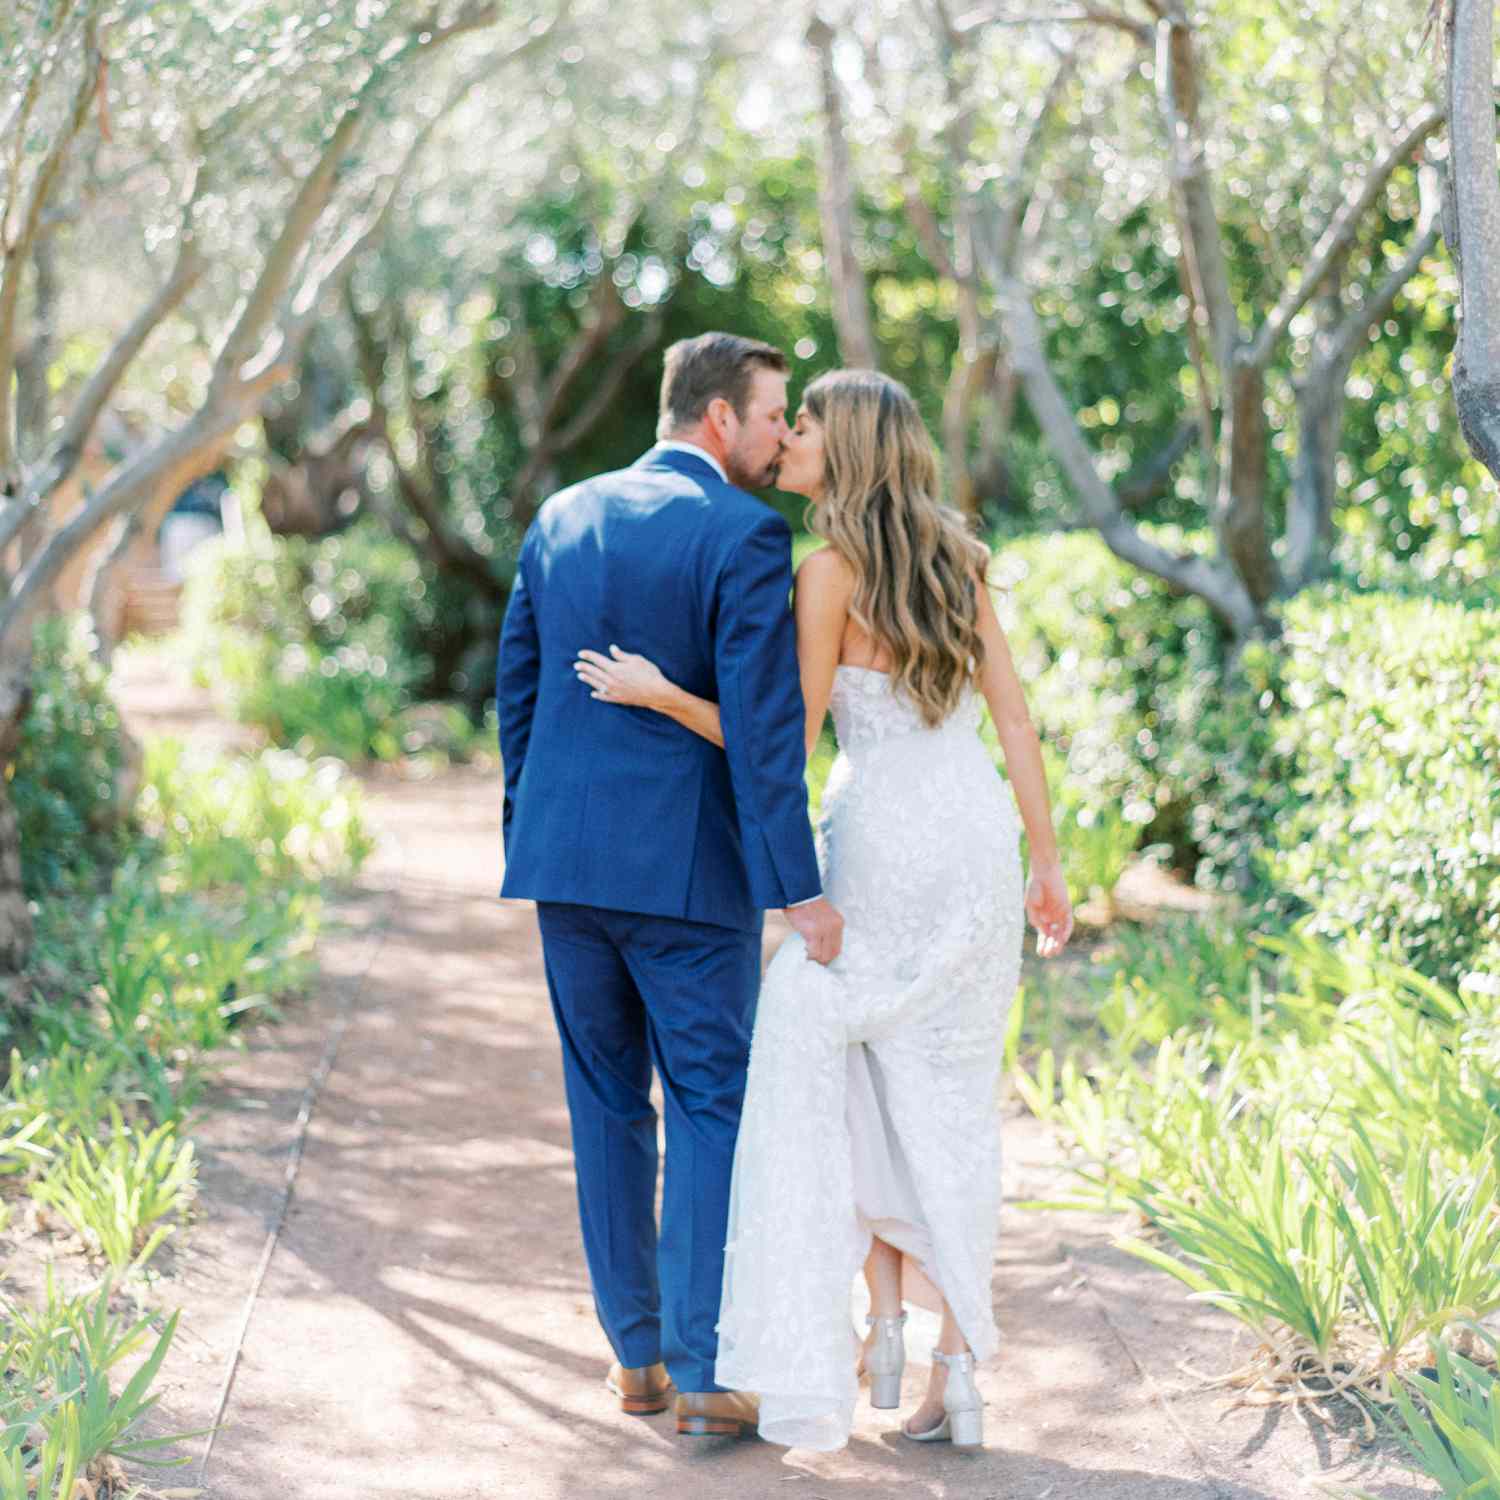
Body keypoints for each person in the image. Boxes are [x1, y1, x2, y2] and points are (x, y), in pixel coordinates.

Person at [573, 368, 1073, 1452]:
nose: (787, 435)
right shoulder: (962, 561)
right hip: (974, 839)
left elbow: (779, 747)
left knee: (855, 1083)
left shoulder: (828, 574)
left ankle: (881, 1327)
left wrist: (663, 696)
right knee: (948, 1105)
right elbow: (1018, 725)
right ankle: (951, 1365)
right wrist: (1047, 861)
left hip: (881, 845)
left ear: (843, 449)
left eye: (805, 426)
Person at [495, 332, 845, 1440]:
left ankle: (635, 1362)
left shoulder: (562, 516)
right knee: (707, 1105)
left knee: (604, 1106)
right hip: (689, 880)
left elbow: (518, 692)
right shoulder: (744, 534)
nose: (783, 433)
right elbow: (768, 733)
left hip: (566, 871)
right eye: (773, 413)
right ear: (717, 422)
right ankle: (702, 1373)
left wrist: (534, 831)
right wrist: (799, 889)